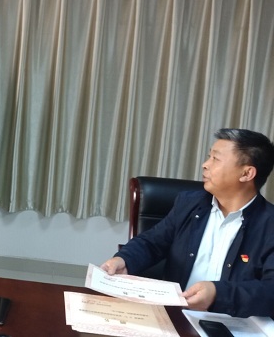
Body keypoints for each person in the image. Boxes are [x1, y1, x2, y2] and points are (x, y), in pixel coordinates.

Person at [101, 128, 274, 318]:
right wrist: (125, 259)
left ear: (246, 173)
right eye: (208, 157)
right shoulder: (190, 204)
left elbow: (270, 290)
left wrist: (217, 294)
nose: (205, 165)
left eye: (215, 159)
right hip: (177, 315)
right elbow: (152, 242)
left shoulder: (269, 225)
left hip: (234, 324)